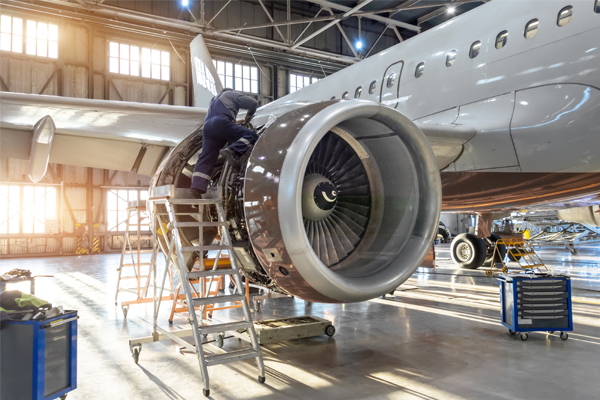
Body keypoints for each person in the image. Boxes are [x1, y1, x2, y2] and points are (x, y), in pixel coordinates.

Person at [190, 88, 258, 198]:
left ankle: (196, 188)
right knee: (251, 135)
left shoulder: (214, 100)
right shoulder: (230, 94)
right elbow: (252, 103)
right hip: (221, 122)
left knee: (207, 157)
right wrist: (248, 116)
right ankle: (233, 151)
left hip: (207, 128)